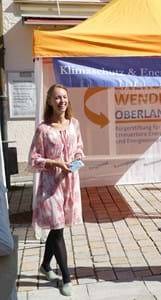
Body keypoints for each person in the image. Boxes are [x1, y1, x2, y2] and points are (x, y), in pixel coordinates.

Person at [28, 83, 84, 297]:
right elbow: (34, 160)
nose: (62, 101)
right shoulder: (43, 129)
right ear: (50, 101)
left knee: (57, 228)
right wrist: (55, 163)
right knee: (58, 229)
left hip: (70, 184)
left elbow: (79, 148)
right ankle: (66, 278)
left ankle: (44, 266)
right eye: (57, 98)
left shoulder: (74, 124)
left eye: (64, 97)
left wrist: (77, 160)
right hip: (50, 187)